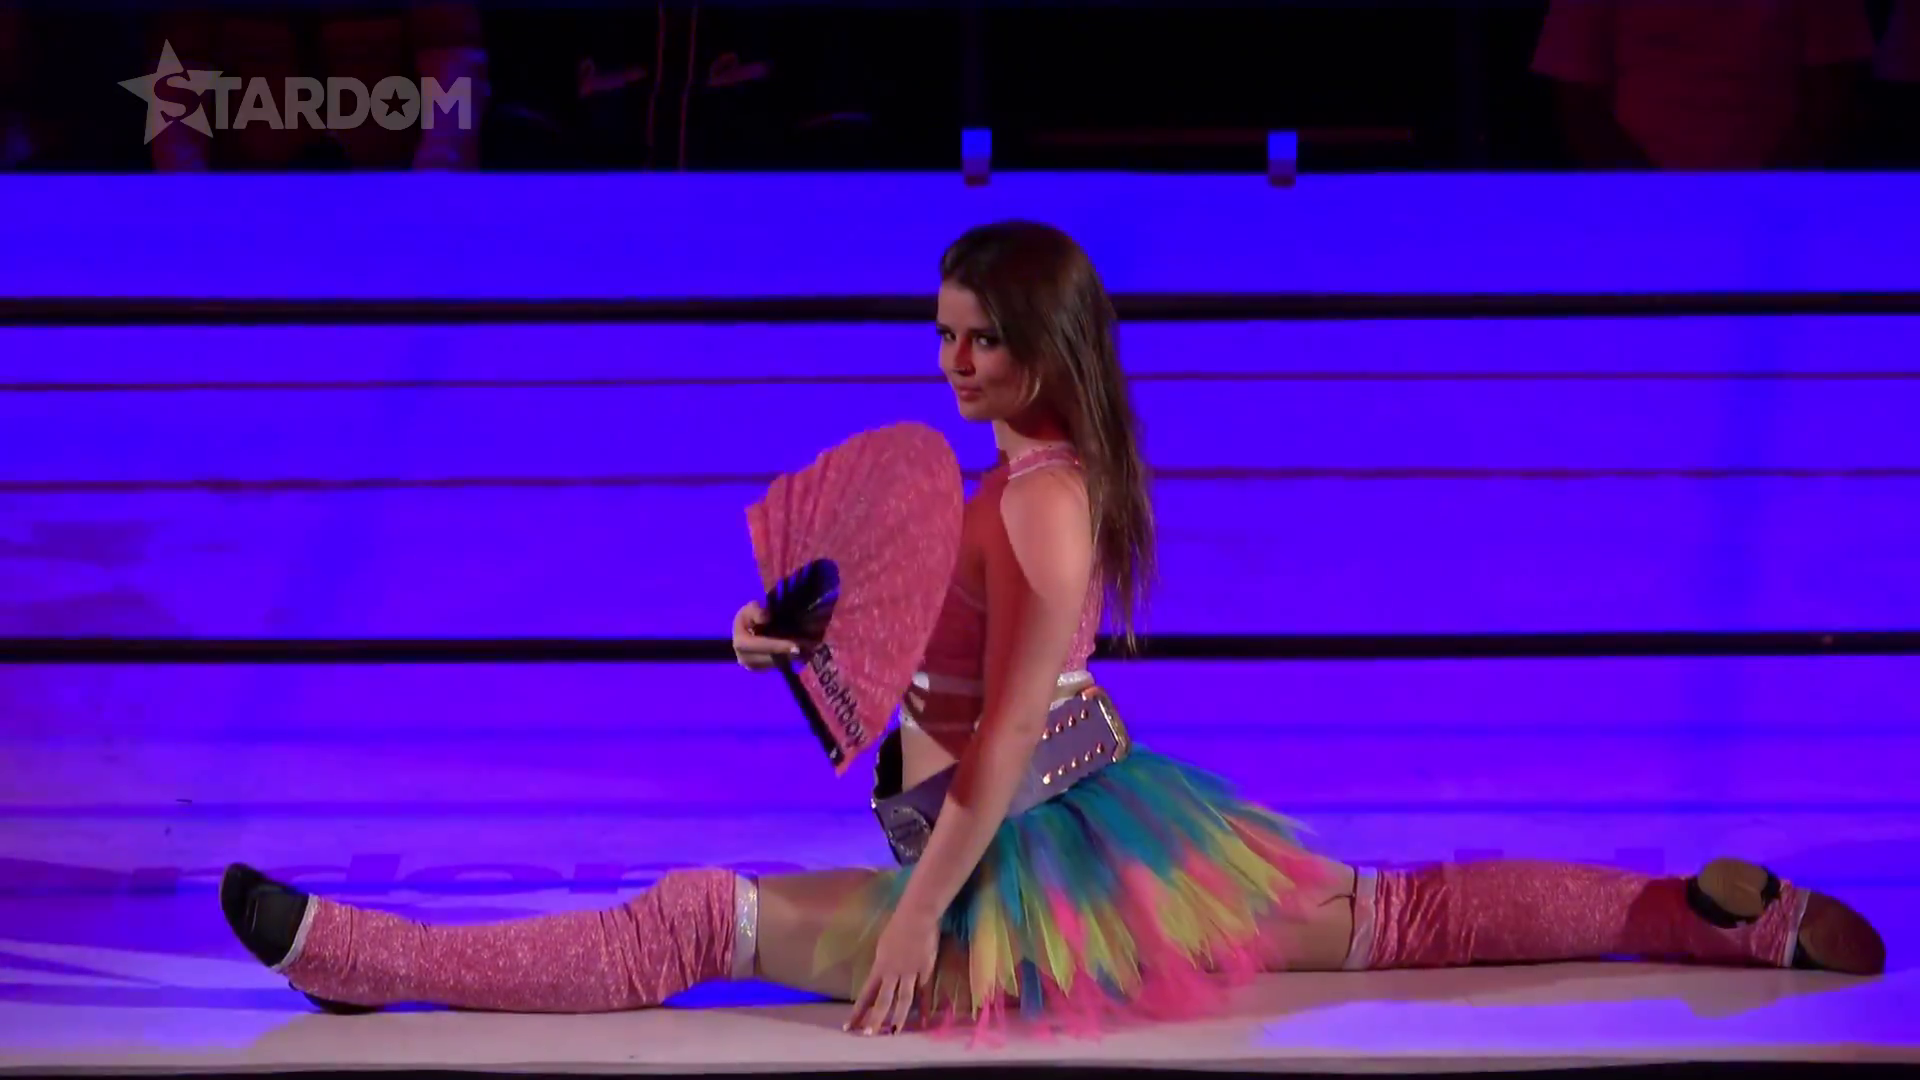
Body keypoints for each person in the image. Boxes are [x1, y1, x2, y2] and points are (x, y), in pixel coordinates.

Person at [219, 222, 1886, 1037]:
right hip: (1061, 818)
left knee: (696, 924)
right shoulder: (1022, 480)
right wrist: (796, 648)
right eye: (942, 336)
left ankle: (362, 959)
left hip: (1028, 850)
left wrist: (913, 918)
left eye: (978, 343)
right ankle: (1695, 915)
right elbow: (925, 680)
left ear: (1041, 345)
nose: (949, 364)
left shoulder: (1038, 501)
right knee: (1396, 914)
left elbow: (1009, 731)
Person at [1532, 0, 1874, 169]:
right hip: (1638, 204)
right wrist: (1645, 196)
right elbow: (1578, 100)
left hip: (1780, 203)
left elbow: (1833, 94)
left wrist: (1771, 195)